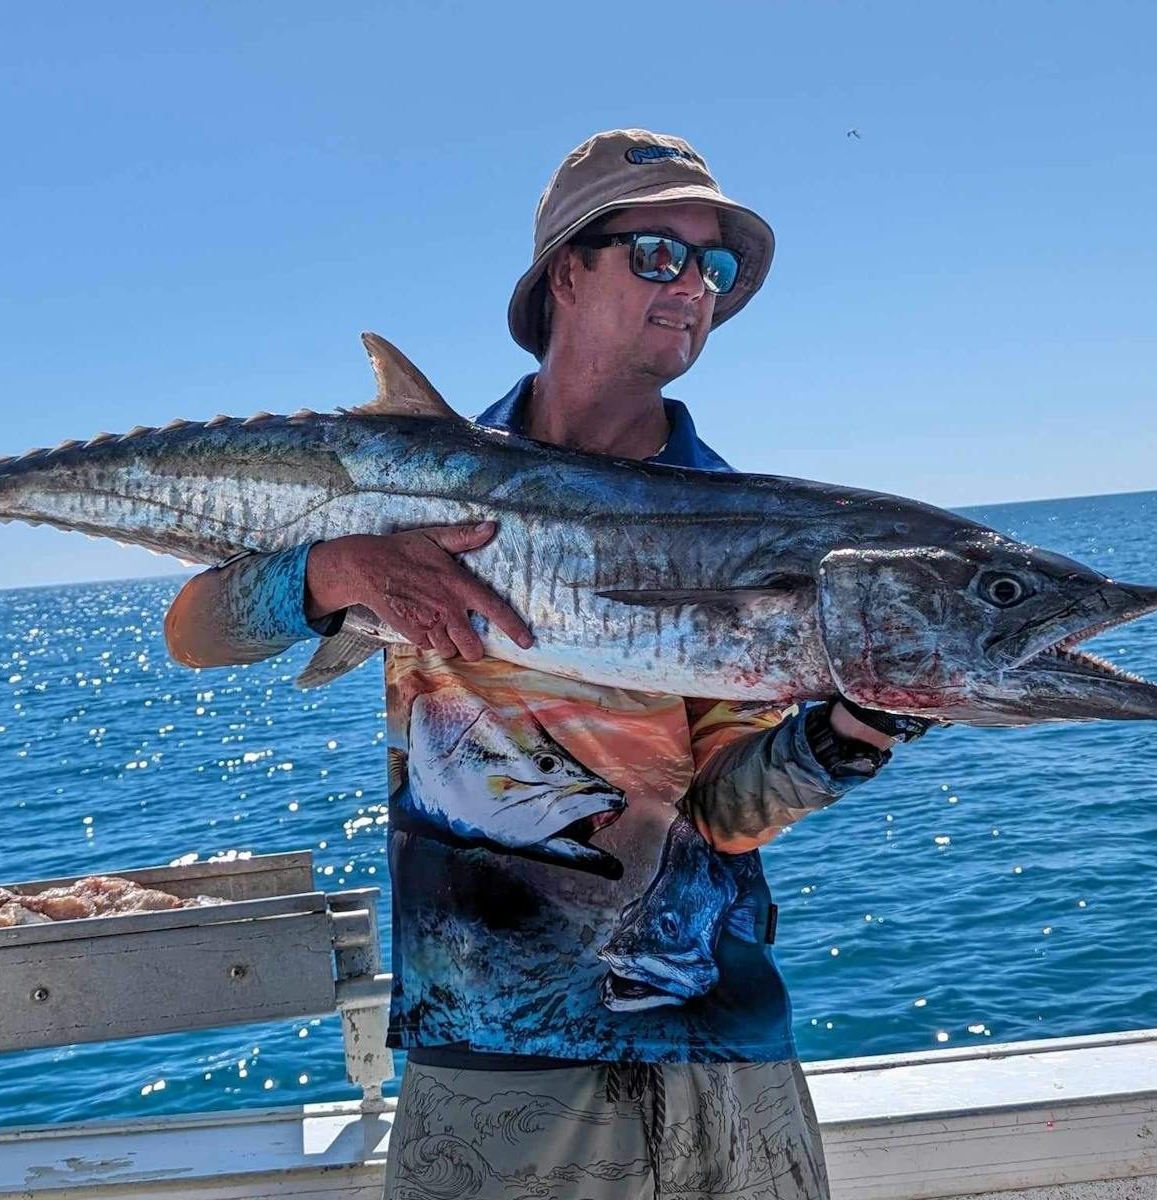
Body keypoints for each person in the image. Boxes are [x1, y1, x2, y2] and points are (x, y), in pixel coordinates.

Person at [164, 129, 929, 1200]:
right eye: (658, 253)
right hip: (491, 1044)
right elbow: (196, 633)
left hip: (716, 1045)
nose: (692, 286)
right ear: (567, 273)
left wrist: (850, 736)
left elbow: (723, 812)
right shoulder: (406, 479)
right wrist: (340, 569)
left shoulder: (742, 525)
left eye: (712, 266)